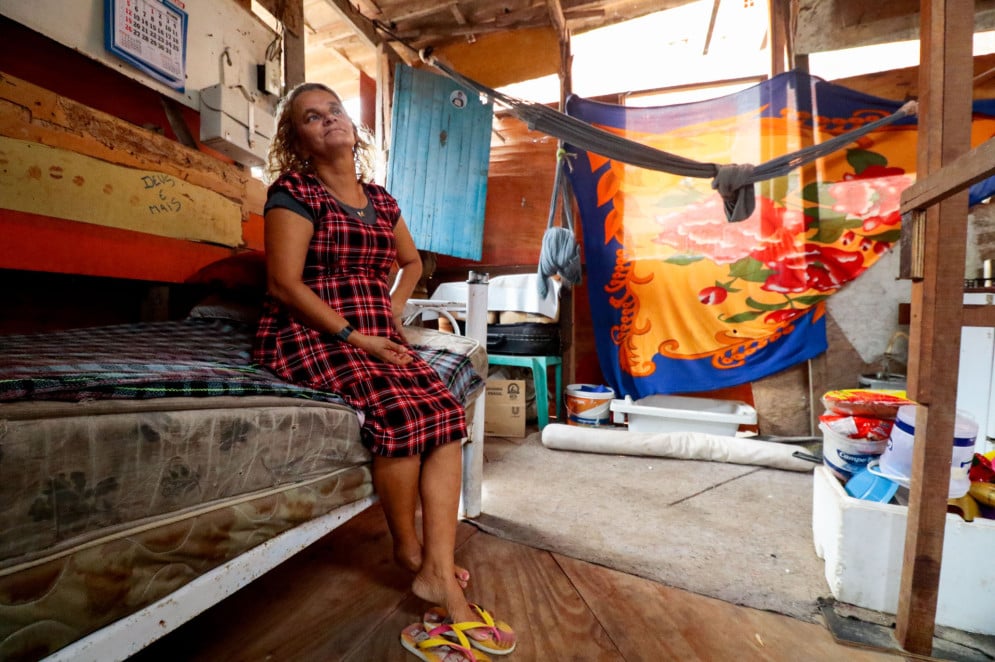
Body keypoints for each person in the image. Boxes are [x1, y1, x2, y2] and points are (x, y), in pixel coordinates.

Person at [253, 82, 514, 657]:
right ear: (297, 139)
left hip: (374, 327)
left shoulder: (381, 199)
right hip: (313, 328)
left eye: (334, 110)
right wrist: (356, 337)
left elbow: (413, 260)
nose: (328, 120)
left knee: (444, 410)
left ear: (351, 124)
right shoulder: (294, 191)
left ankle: (436, 570)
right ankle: (408, 551)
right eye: (311, 117)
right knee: (398, 411)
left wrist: (393, 309)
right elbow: (283, 284)